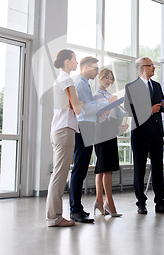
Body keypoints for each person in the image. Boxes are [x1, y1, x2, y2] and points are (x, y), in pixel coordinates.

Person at [124, 57, 164, 215]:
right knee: (139, 169)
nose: (154, 68)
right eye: (151, 66)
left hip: (156, 133)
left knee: (158, 169)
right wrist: (149, 110)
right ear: (141, 68)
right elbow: (128, 110)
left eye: (154, 65)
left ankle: (160, 202)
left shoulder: (157, 85)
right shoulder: (131, 87)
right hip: (140, 133)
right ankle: (141, 202)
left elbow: (159, 108)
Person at [70, 57, 117, 223]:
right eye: (95, 68)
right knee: (79, 168)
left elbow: (89, 108)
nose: (97, 71)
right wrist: (107, 103)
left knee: (81, 168)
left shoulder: (84, 84)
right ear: (85, 67)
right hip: (84, 127)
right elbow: (85, 108)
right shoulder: (81, 84)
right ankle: (75, 209)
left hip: (87, 126)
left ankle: (77, 208)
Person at [46, 49, 83, 227]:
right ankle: (54, 217)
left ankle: (54, 216)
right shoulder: (68, 80)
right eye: (75, 60)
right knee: (60, 176)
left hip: (58, 129)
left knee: (58, 174)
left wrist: (75, 103)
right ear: (67, 62)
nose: (77, 63)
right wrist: (80, 103)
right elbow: (77, 109)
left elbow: (71, 105)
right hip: (65, 130)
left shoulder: (59, 79)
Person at [92, 68, 128, 217]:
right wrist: (108, 104)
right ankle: (109, 203)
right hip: (101, 131)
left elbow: (113, 116)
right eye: (106, 77)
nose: (108, 80)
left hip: (110, 131)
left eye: (111, 79)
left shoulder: (110, 96)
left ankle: (99, 201)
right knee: (105, 168)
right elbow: (98, 116)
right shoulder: (96, 96)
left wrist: (120, 126)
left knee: (105, 168)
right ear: (99, 77)